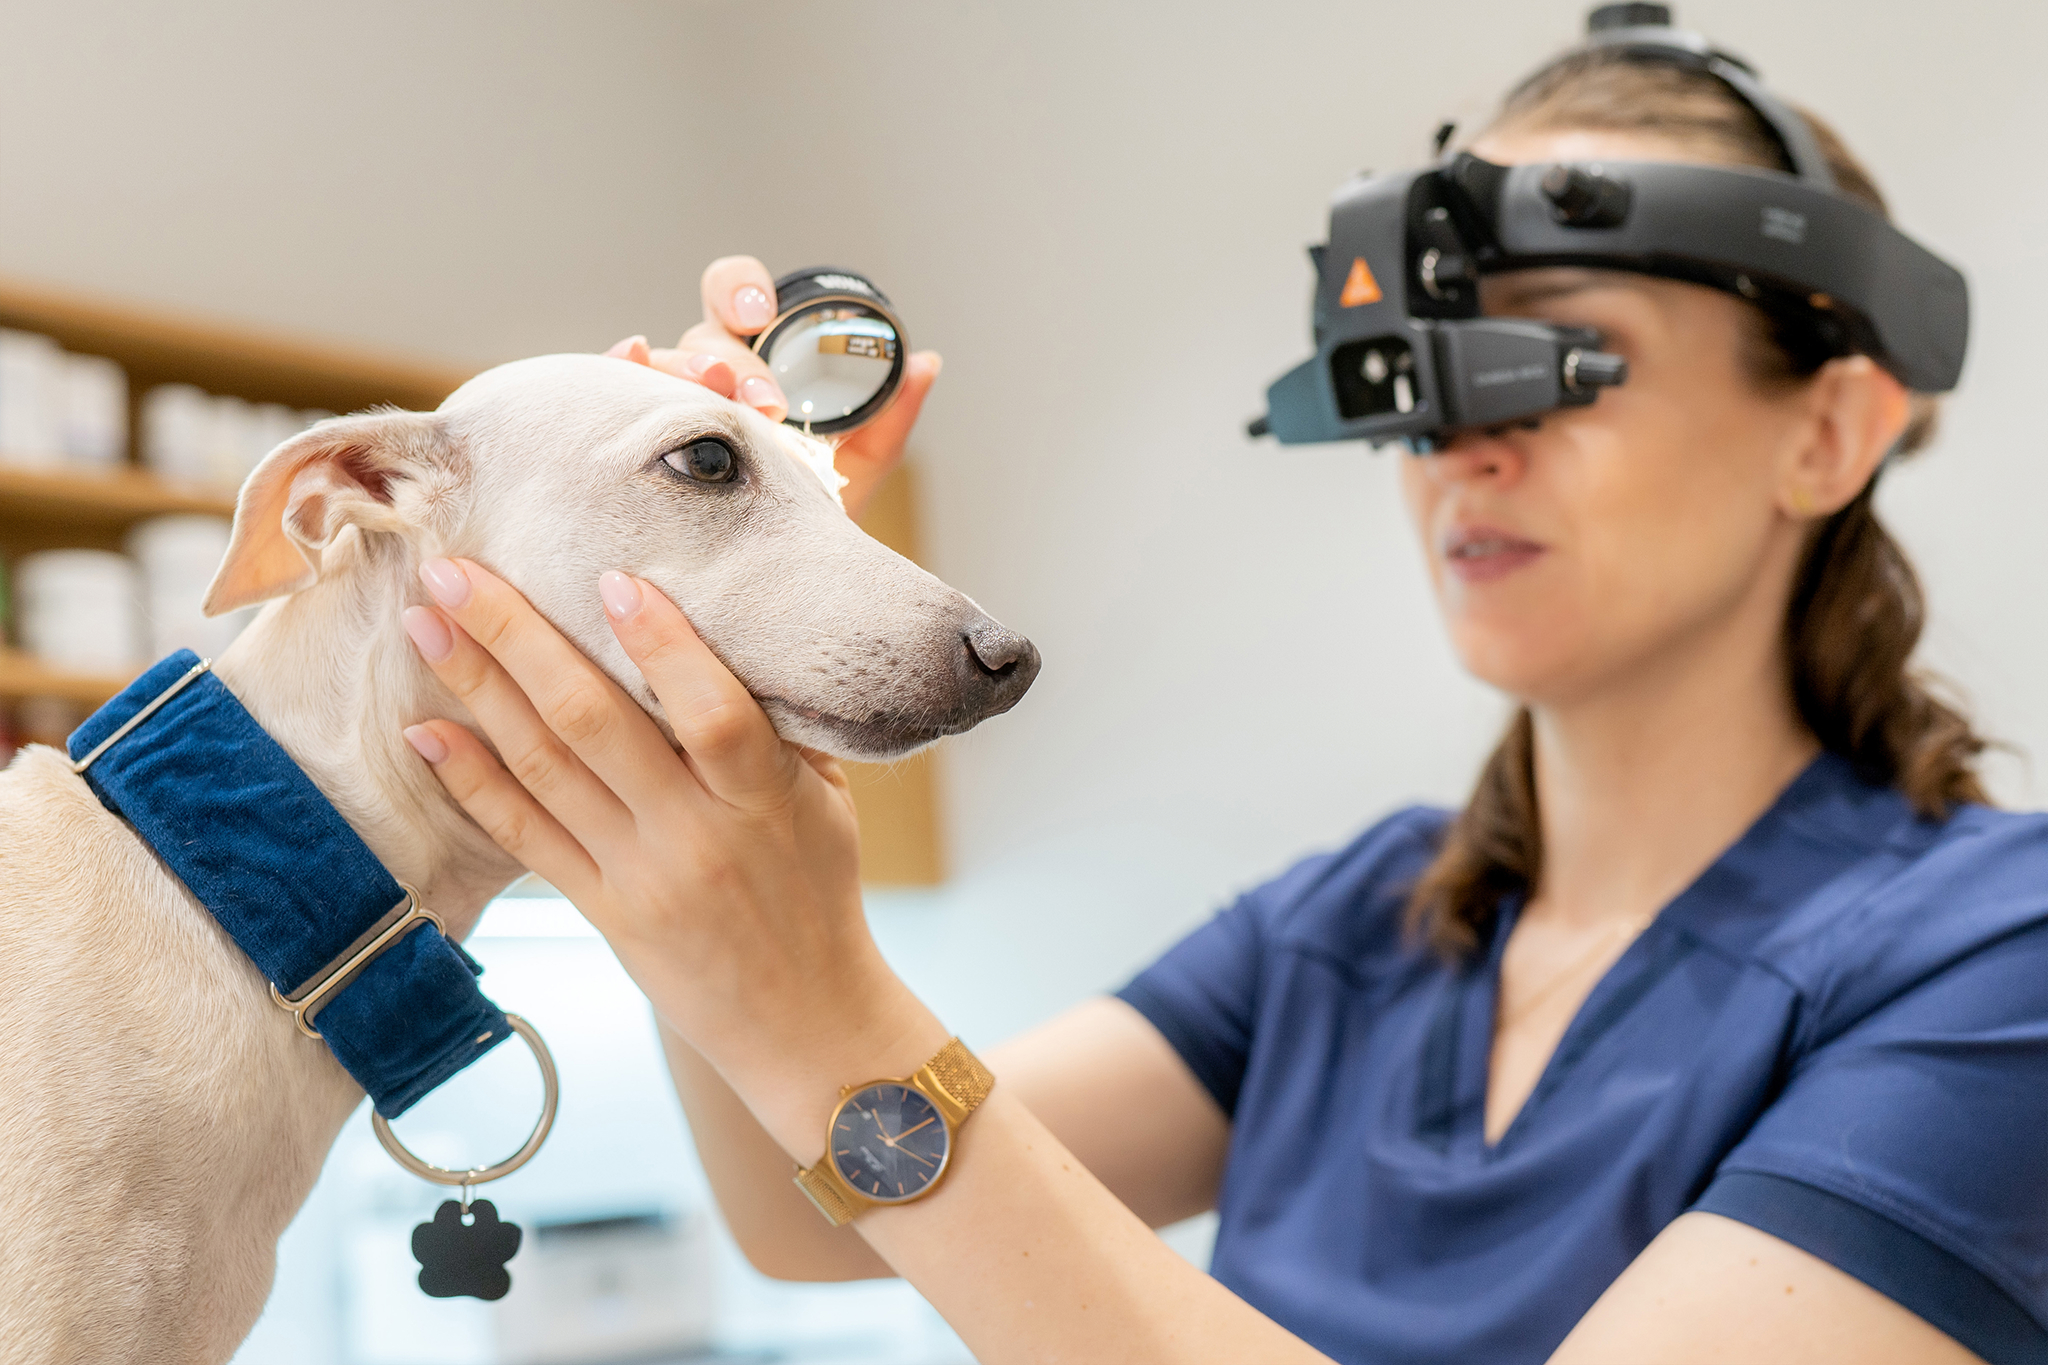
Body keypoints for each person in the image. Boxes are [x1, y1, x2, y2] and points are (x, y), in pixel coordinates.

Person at [390, 31, 2048, 1365]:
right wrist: (724, 643)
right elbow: (809, 1213)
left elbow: (859, 1105)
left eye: (1555, 359)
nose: (1463, 447)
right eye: (1423, 371)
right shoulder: (1359, 926)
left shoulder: (1996, 960)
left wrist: (830, 1007)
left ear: (1829, 430)